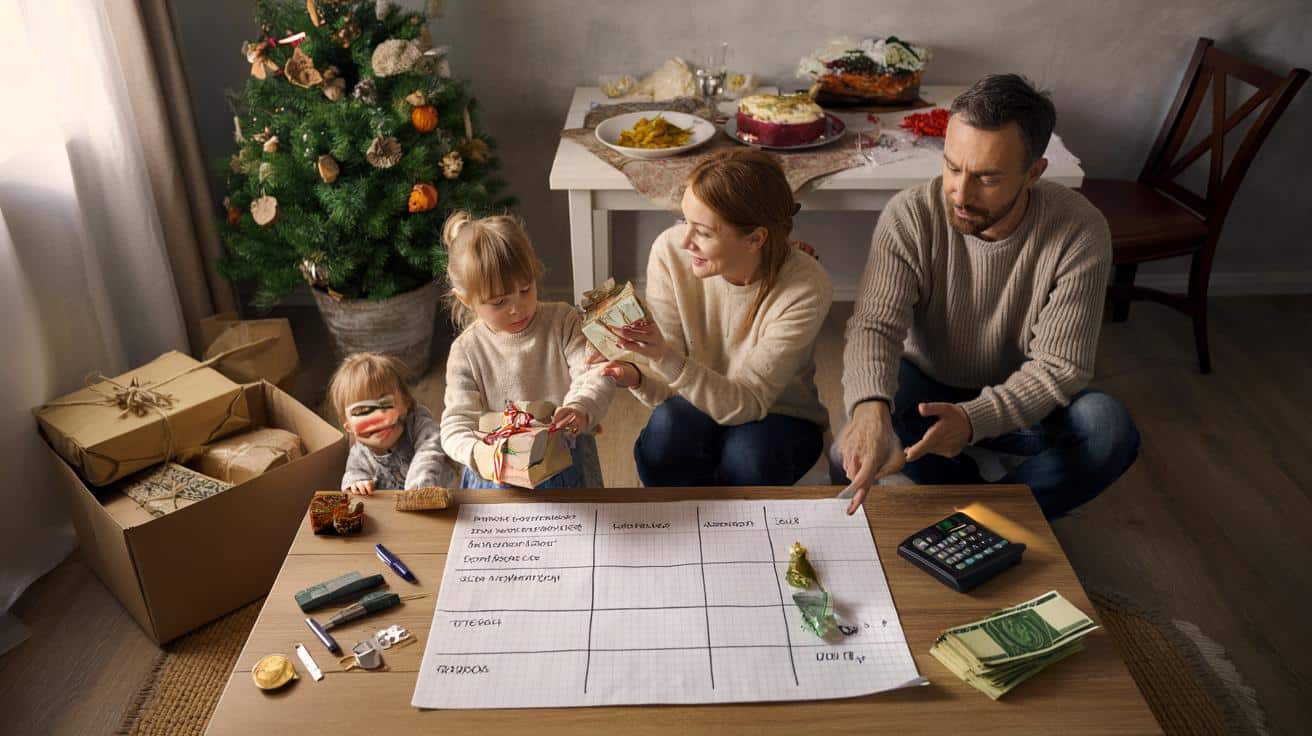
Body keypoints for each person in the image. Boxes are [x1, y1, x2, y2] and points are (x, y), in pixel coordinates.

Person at [834, 73, 1139, 518]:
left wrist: (975, 420)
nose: (960, 192)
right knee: (848, 451)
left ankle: (976, 514)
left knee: (1108, 428)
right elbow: (874, 327)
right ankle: (995, 509)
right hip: (926, 388)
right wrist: (867, 408)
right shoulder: (910, 215)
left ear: (1034, 172)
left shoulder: (1080, 230)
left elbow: (1060, 366)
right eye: (953, 166)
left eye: (988, 178)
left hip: (1025, 401)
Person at [596, 149, 833, 486]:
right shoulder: (670, 253)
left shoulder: (806, 287)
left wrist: (664, 356)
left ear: (755, 239)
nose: (686, 241)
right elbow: (668, 387)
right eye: (685, 222)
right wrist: (635, 373)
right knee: (665, 435)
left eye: (703, 232)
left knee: (748, 458)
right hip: (694, 399)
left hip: (779, 413)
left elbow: (749, 402)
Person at [439, 211, 614, 489]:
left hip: (563, 458)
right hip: (498, 469)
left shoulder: (563, 321)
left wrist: (580, 407)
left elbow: (595, 374)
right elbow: (456, 423)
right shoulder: (467, 350)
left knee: (577, 526)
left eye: (525, 289)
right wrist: (476, 452)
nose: (516, 307)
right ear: (466, 300)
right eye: (498, 302)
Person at [330, 351, 456, 494]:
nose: (376, 418)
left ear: (406, 402)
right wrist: (357, 484)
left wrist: (419, 485)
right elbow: (353, 474)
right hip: (395, 510)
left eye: (385, 404)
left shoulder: (418, 424)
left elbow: (431, 446)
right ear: (349, 427)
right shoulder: (360, 454)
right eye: (362, 412)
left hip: (443, 501)